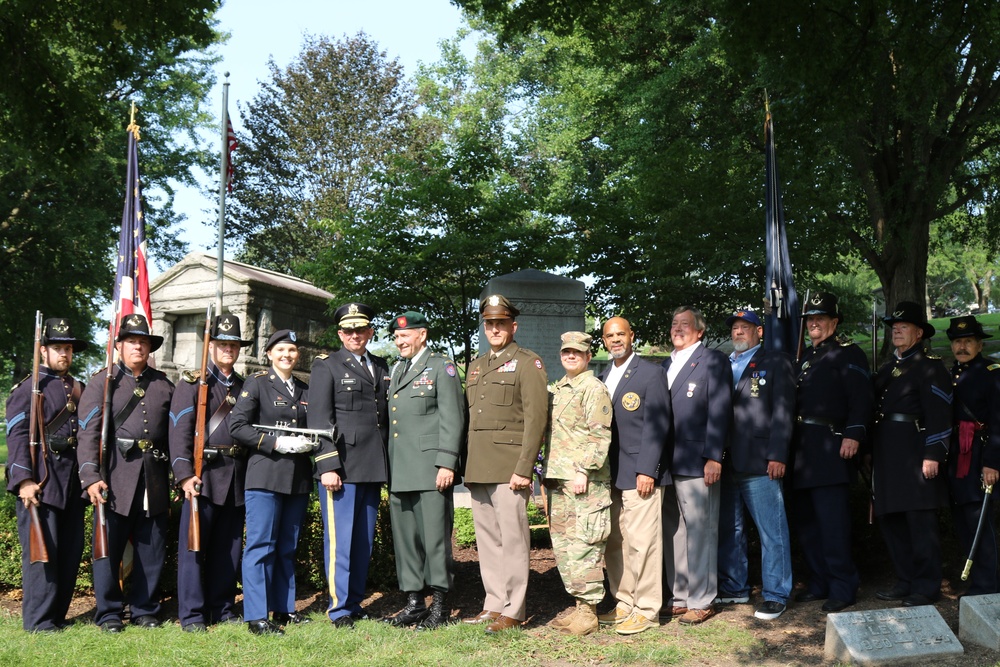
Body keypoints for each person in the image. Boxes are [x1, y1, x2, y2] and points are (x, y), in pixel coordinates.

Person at [77, 313, 174, 632]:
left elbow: (176, 433)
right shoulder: (101, 381)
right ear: (119, 345)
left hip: (154, 477)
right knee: (108, 549)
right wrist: (91, 476)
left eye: (144, 342)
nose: (138, 347)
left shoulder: (163, 384)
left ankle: (145, 609)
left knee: (152, 547)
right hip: (114, 477)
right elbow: (88, 432)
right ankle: (109, 613)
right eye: (132, 341)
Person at [462, 294, 548, 634]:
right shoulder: (477, 365)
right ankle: (494, 603)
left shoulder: (529, 363)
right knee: (488, 541)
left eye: (500, 323)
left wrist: (524, 468)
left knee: (513, 541)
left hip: (510, 468)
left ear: (513, 326)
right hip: (479, 466)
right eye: (489, 324)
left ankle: (515, 609)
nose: (494, 329)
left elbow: (536, 420)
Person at [308, 303, 390, 627]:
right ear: (340, 334)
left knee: (362, 542)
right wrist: (327, 464)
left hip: (373, 465)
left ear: (370, 332)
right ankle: (339, 608)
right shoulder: (326, 366)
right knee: (340, 541)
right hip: (341, 467)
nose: (356, 335)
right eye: (349, 330)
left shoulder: (381, 365)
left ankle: (355, 602)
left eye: (362, 329)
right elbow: (318, 418)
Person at [789, 291, 872, 613]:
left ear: (835, 322)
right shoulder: (806, 358)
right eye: (810, 320)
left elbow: (861, 399)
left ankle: (843, 586)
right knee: (808, 523)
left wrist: (854, 435)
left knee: (832, 523)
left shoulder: (849, 355)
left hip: (830, 445)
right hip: (802, 452)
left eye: (820, 320)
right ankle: (819, 581)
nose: (814, 325)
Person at [5, 317, 89, 632]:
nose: (64, 353)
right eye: (57, 347)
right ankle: (39, 621)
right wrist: (24, 480)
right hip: (41, 481)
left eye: (67, 348)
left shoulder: (76, 387)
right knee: (42, 556)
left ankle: (57, 616)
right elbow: (16, 436)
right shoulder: (29, 387)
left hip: (71, 483)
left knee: (68, 553)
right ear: (44, 351)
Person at [381, 311, 464, 630]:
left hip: (431, 469)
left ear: (422, 335)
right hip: (401, 468)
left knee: (434, 540)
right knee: (406, 539)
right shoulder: (398, 368)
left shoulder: (441, 367)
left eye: (405, 336)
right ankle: (415, 602)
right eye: (396, 337)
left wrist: (447, 462)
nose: (399, 341)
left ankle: (441, 605)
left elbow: (453, 417)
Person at [169, 314, 252, 632]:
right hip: (201, 479)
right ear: (212, 346)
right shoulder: (194, 384)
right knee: (193, 548)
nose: (228, 349)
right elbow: (179, 432)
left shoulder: (244, 387)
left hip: (235, 478)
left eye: (233, 344)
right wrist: (184, 474)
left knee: (228, 550)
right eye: (222, 344)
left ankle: (223, 607)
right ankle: (191, 614)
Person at [230, 329, 314, 636]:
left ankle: (284, 608)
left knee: (287, 548)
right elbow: (236, 425)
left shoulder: (304, 390)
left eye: (292, 350)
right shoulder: (257, 384)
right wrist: (274, 443)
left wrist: (310, 443)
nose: (287, 355)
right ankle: (255, 615)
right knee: (261, 545)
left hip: (297, 479)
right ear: (269, 354)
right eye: (280, 350)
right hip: (265, 475)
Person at [716, 310, 794, 620]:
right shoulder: (723, 365)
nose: (738, 332)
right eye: (734, 328)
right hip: (727, 460)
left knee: (771, 530)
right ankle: (736, 587)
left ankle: (776, 593)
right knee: (731, 529)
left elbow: (784, 411)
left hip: (761, 460)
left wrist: (778, 454)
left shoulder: (776, 361)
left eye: (744, 327)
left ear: (759, 332)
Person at [873, 301, 952, 607]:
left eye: (903, 326)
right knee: (892, 522)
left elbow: (940, 415)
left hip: (916, 455)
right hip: (887, 455)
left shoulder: (930, 367)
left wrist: (934, 453)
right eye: (894, 326)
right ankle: (905, 580)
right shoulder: (888, 369)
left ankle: (926, 586)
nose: (896, 330)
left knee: (920, 525)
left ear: (919, 333)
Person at [597, 317, 672, 636]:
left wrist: (648, 470)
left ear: (632, 336)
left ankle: (647, 608)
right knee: (615, 543)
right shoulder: (601, 376)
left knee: (643, 543)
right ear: (603, 341)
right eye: (609, 336)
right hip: (610, 474)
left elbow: (659, 426)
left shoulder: (651, 373)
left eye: (621, 334)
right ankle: (624, 602)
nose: (615, 340)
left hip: (640, 472)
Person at [661, 306, 731, 625]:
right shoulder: (664, 364)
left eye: (685, 324)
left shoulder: (712, 360)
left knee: (701, 531)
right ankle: (680, 596)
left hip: (698, 461)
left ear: (699, 331)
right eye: (674, 323)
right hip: (667, 463)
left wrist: (714, 456)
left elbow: (719, 409)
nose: (678, 328)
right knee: (674, 531)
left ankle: (702, 599)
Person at [545, 331, 613, 636]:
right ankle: (578, 607)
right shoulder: (560, 388)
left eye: (577, 352)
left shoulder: (593, 388)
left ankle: (589, 612)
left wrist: (584, 470)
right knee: (565, 546)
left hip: (584, 481)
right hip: (560, 479)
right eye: (566, 352)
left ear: (587, 357)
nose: (570, 356)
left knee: (585, 545)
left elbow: (600, 436)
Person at [945, 315, 1000, 595]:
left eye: (967, 341)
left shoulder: (993, 373)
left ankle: (987, 584)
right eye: (957, 341)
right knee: (963, 519)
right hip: (955, 454)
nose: (962, 347)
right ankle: (975, 578)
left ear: (979, 344)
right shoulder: (951, 373)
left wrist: (992, 462)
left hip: (978, 454)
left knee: (978, 520)